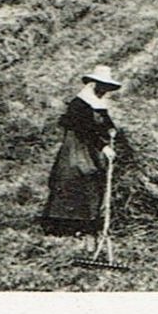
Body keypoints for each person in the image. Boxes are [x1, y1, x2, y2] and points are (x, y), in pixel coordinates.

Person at [37, 66, 131, 237]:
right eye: (102, 86)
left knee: (92, 181)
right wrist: (104, 147)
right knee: (75, 178)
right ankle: (63, 226)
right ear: (94, 84)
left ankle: (86, 224)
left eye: (107, 87)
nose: (104, 90)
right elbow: (84, 129)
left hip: (90, 146)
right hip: (76, 147)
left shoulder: (97, 101)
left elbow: (104, 119)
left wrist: (111, 129)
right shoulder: (79, 103)